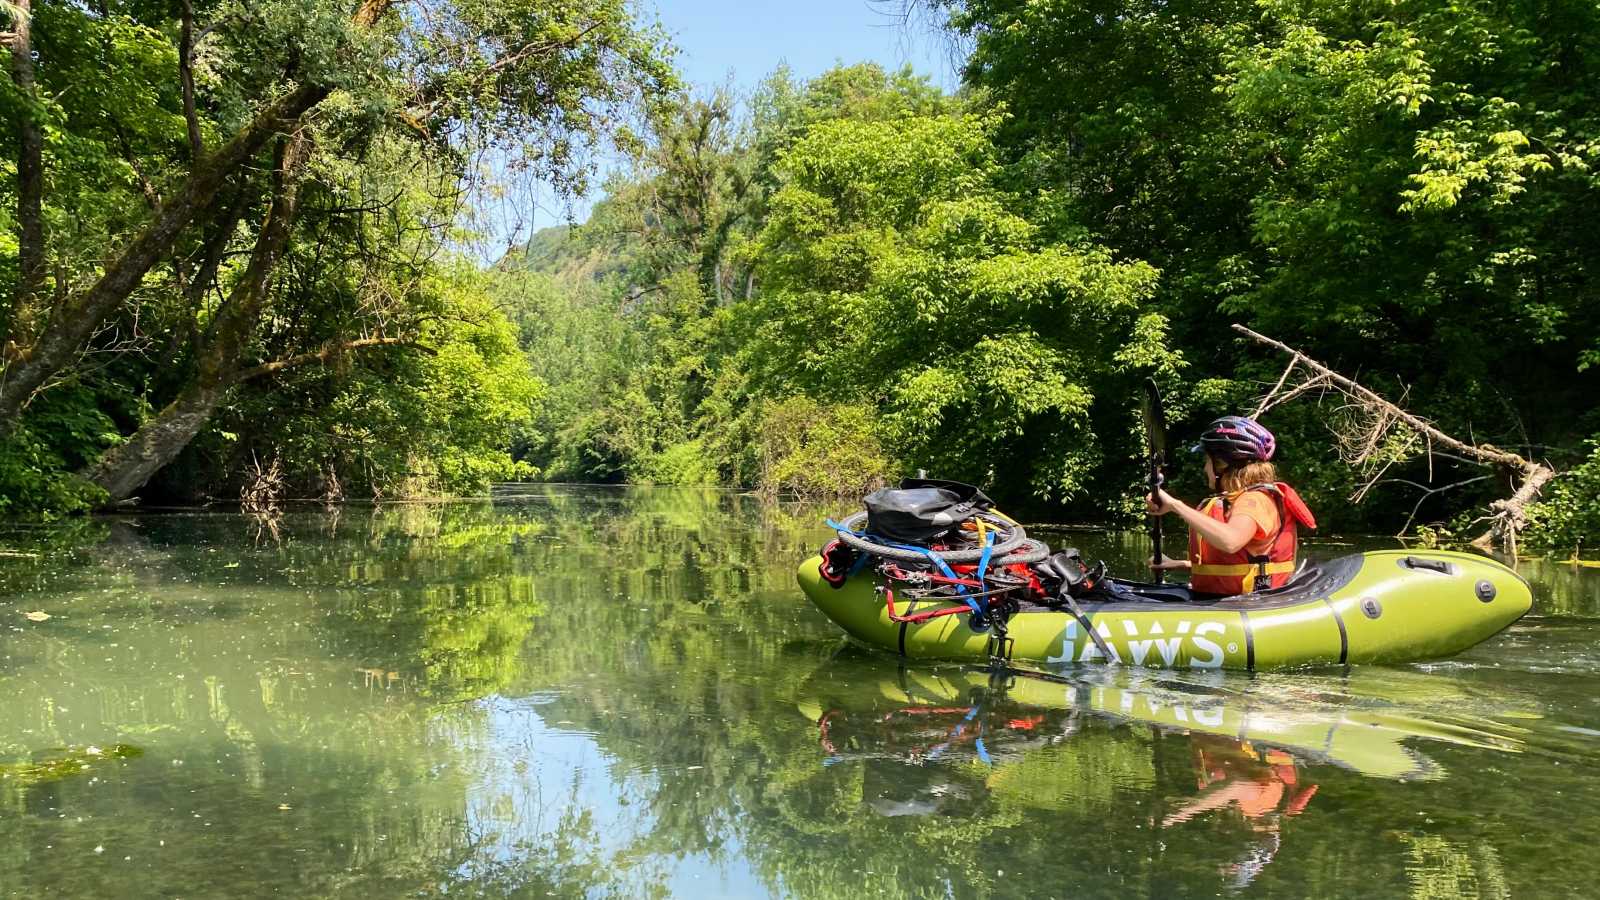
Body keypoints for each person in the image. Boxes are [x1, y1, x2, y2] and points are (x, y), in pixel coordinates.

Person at [1145, 416, 1317, 596]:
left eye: (1207, 460)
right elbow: (1239, 565)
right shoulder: (1237, 500)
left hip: (1252, 606)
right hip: (1226, 599)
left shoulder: (1254, 500)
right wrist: (1181, 565)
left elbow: (1231, 541)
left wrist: (1174, 505)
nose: (1205, 468)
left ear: (1222, 465)